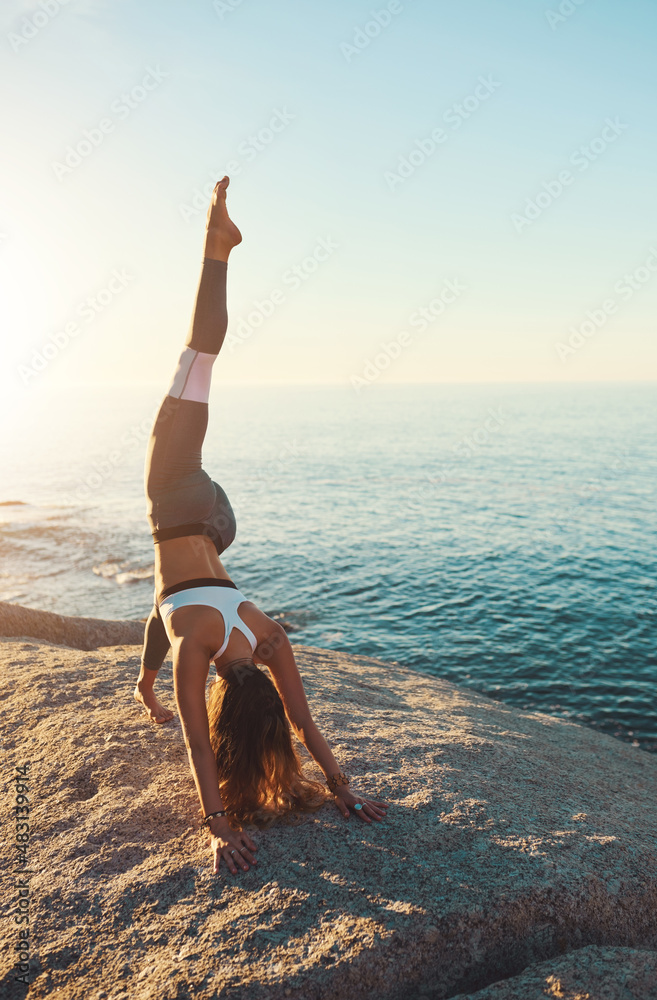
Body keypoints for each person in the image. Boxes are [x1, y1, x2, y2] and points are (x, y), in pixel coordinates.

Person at [133, 177, 388, 875]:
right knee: (197, 360)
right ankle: (218, 247)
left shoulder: (265, 636)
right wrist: (217, 824)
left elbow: (304, 727)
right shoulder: (201, 643)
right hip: (186, 508)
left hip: (216, 533)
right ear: (224, 703)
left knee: (196, 370)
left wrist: (341, 784)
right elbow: (196, 744)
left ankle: (216, 246)